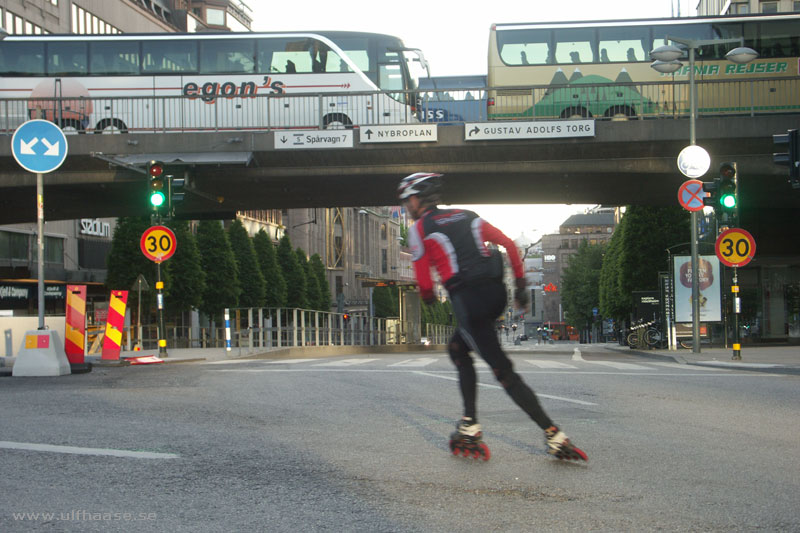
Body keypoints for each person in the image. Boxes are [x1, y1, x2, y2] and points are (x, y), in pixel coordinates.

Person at [397, 172, 587, 461]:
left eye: (406, 201)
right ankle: (469, 422)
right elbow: (510, 245)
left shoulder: (420, 228)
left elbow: (424, 282)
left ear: (415, 199)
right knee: (458, 348)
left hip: (468, 300)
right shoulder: (468, 216)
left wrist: (428, 296)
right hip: (496, 295)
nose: (407, 207)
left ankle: (553, 434)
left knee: (503, 372)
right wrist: (521, 288)